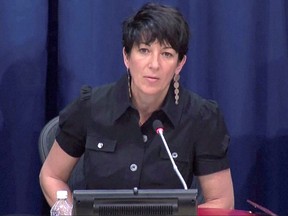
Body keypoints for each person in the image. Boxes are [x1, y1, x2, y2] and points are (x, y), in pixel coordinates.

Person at [39, 2, 234, 210]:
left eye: (167, 54)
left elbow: (221, 202)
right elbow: (51, 176)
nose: (154, 64)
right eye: (144, 50)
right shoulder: (91, 107)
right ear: (126, 57)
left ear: (180, 64)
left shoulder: (201, 117)